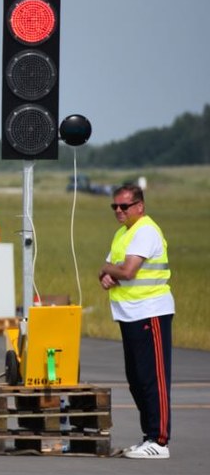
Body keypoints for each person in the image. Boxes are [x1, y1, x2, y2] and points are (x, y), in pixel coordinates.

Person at [98, 184, 174, 460]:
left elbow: (127, 270)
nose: (118, 211)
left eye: (124, 206)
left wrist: (108, 270)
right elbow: (110, 270)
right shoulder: (123, 234)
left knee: (153, 378)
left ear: (139, 206)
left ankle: (160, 439)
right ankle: (148, 437)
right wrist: (107, 274)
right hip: (129, 313)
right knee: (136, 378)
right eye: (114, 206)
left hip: (150, 310)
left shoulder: (145, 231)